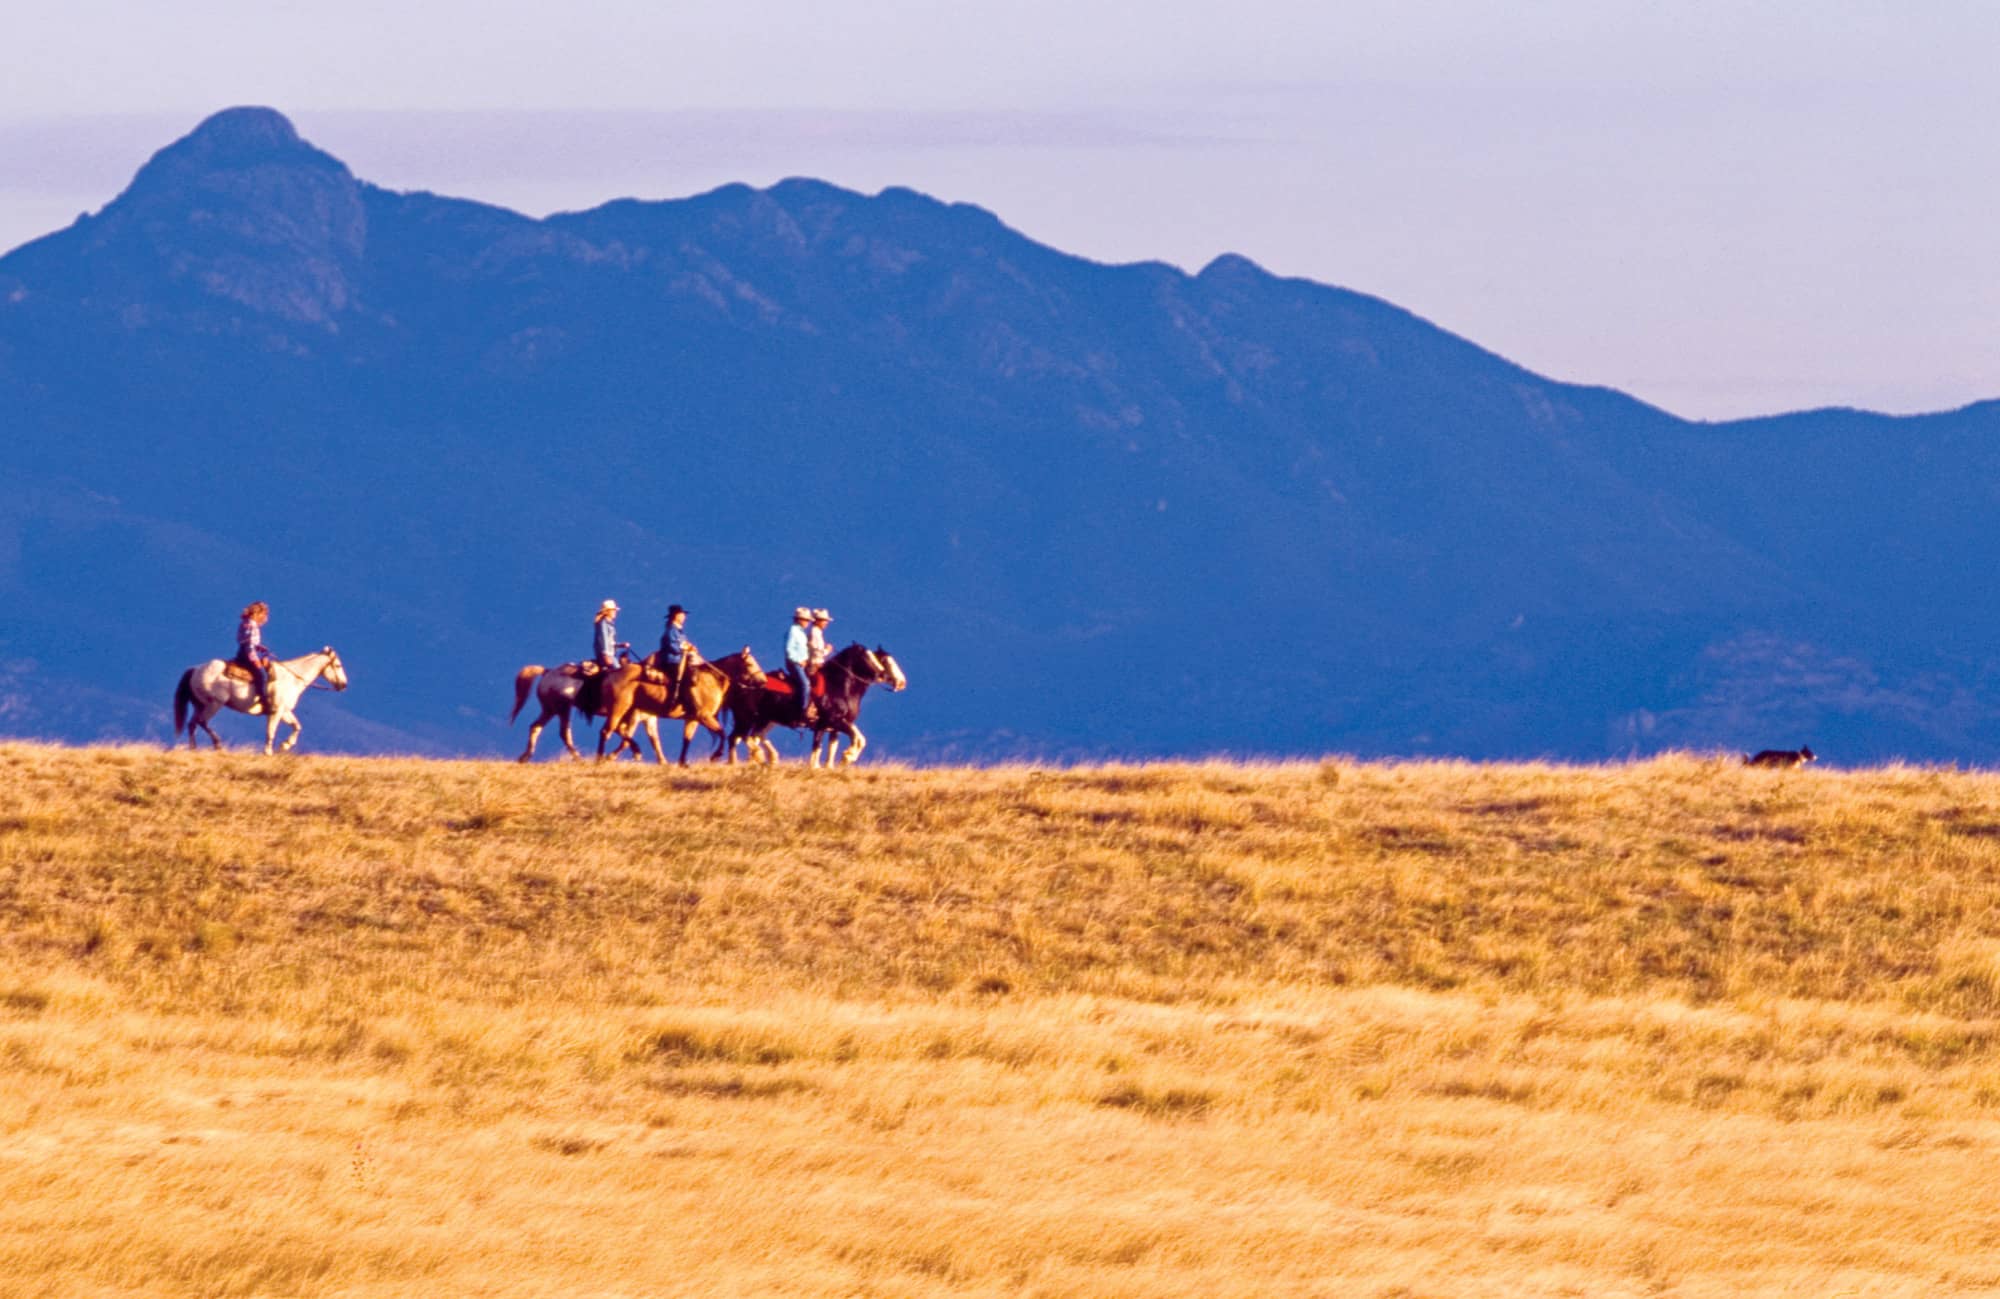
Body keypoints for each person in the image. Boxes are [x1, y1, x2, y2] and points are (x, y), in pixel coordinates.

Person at [234, 600, 277, 711]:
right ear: (257, 614)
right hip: (247, 653)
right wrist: (254, 659)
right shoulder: (252, 625)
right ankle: (263, 700)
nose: (266, 618)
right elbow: (249, 644)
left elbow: (247, 641)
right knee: (261, 674)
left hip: (243, 651)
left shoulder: (245, 622)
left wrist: (260, 647)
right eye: (265, 614)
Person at [658, 604, 697, 702]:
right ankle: (676, 697)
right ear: (676, 616)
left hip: (680, 659)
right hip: (672, 660)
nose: (684, 617)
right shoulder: (671, 630)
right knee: (682, 676)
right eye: (682, 614)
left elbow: (684, 644)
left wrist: (690, 648)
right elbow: (673, 646)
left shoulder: (679, 632)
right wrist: (685, 649)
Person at [783, 606, 816, 724]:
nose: (808, 623)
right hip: (794, 663)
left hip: (801, 663)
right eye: (806, 620)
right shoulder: (793, 631)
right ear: (799, 620)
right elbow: (789, 649)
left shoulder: (801, 632)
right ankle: (802, 712)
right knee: (805, 684)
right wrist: (798, 660)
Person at [591, 599, 627, 673]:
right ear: (607, 611)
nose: (615, 612)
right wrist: (605, 655)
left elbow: (610, 642)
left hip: (610, 655)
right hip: (606, 655)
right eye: (613, 610)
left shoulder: (609, 624)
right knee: (618, 672)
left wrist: (620, 645)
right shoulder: (603, 623)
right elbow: (603, 639)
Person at [807, 608, 832, 674]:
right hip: (815, 666)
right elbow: (816, 653)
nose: (826, 623)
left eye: (826, 621)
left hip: (817, 665)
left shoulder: (817, 632)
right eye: (824, 620)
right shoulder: (814, 633)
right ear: (817, 621)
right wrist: (827, 650)